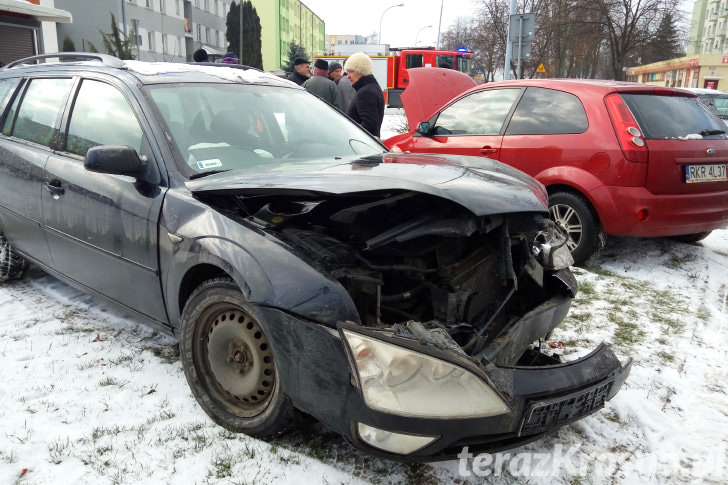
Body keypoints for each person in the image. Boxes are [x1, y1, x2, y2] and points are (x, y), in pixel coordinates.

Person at [344, 52, 385, 138]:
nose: (348, 76)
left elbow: (370, 126)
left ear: (361, 71)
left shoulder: (366, 92)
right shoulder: (371, 87)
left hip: (361, 145)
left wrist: (350, 133)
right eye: (347, 72)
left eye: (351, 71)